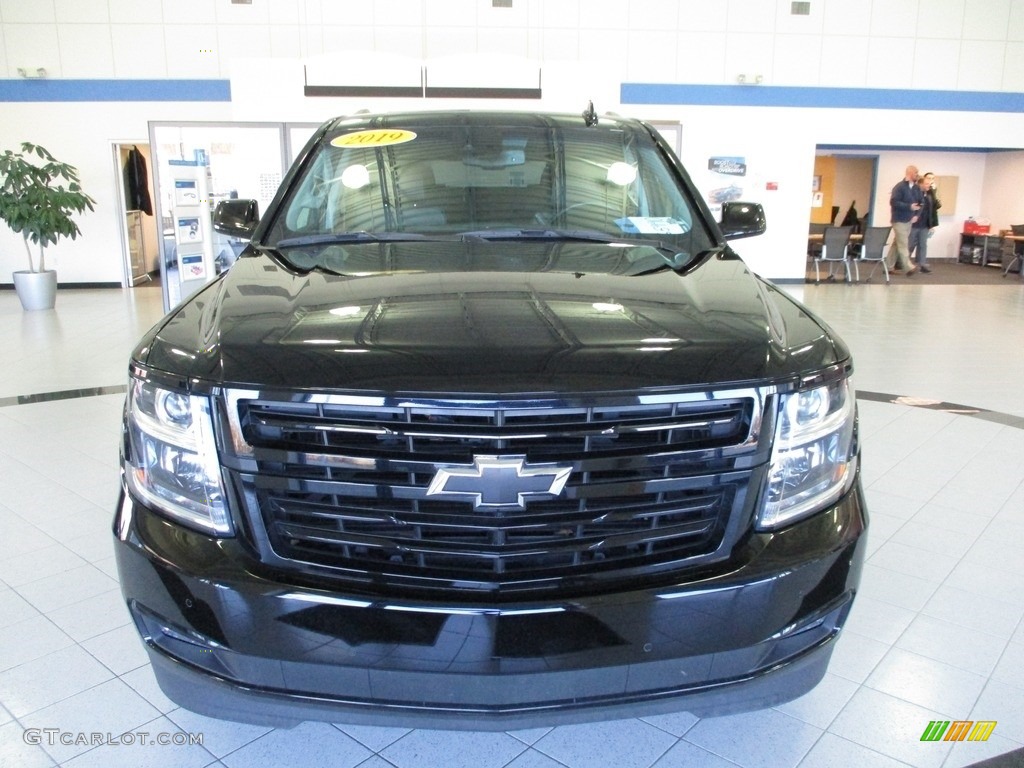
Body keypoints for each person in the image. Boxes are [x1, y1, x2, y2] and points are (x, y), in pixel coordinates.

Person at [887, 165, 923, 275]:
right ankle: (908, 266)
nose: (917, 175)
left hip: (909, 220)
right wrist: (909, 207)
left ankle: (889, 266)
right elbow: (893, 202)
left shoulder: (916, 188)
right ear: (910, 173)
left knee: (897, 243)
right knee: (903, 243)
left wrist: (916, 214)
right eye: (916, 173)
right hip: (899, 219)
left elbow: (921, 202)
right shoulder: (899, 187)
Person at [908, 176, 934, 273]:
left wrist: (931, 225)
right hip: (914, 224)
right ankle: (905, 263)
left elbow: (930, 211)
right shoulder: (914, 194)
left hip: (924, 225)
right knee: (910, 245)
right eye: (927, 184)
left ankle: (922, 265)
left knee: (923, 245)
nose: (929, 186)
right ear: (921, 184)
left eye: (929, 184)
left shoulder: (929, 196)